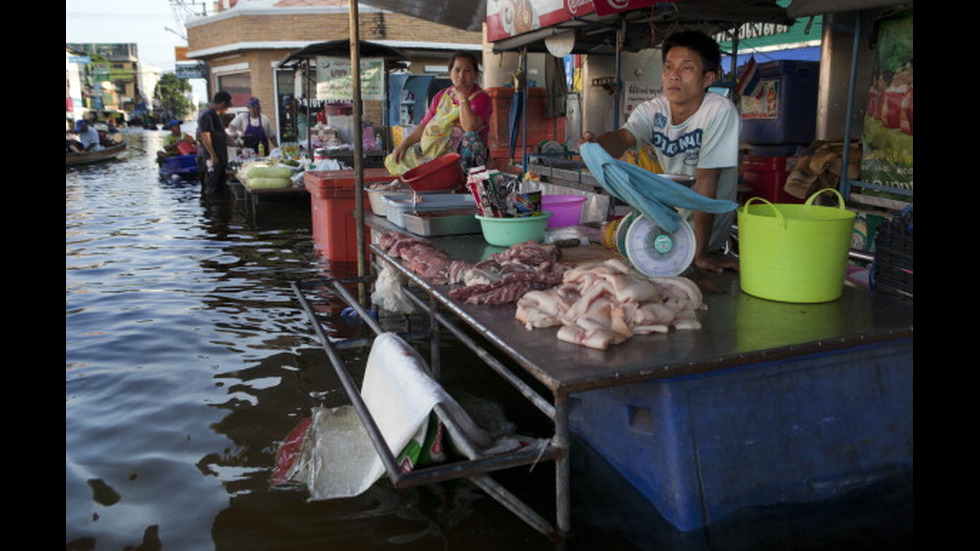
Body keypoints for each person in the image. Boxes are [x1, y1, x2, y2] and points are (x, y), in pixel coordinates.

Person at [583, 30, 740, 273]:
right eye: (668, 67)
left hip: (707, 236)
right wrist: (596, 145)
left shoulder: (719, 111)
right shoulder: (652, 111)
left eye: (686, 68)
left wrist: (700, 253)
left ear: (708, 78)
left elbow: (707, 182)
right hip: (670, 227)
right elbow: (622, 138)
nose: (673, 76)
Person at [385, 51, 492, 176]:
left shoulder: (481, 98)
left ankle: (463, 181)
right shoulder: (441, 95)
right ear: (450, 74)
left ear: (475, 75)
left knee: (472, 139)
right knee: (399, 157)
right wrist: (403, 144)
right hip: (433, 153)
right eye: (457, 70)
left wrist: (463, 97)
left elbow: (470, 127)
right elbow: (424, 125)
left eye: (467, 70)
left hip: (460, 157)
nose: (461, 75)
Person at [197, 91, 233, 194]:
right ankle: (212, 208)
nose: (226, 110)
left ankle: (222, 208)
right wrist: (213, 155)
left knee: (222, 185)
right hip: (212, 158)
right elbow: (205, 136)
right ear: (222, 104)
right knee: (213, 186)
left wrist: (234, 143)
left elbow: (221, 134)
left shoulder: (219, 115)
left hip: (221, 157)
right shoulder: (207, 116)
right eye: (227, 106)